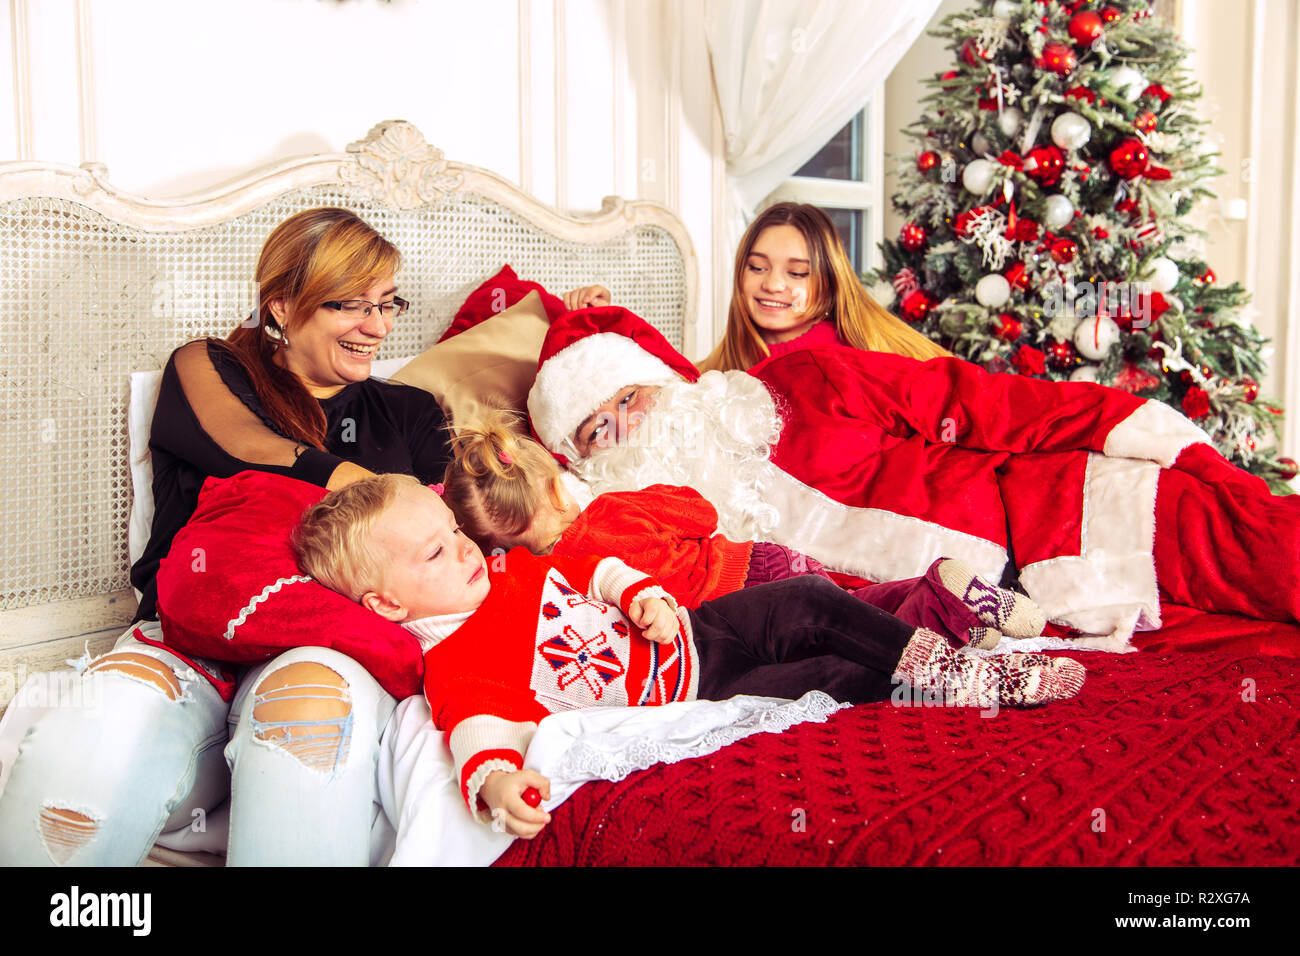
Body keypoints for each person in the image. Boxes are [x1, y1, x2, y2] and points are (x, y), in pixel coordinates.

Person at [0, 207, 450, 866]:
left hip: (334, 644)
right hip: (188, 638)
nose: (377, 328)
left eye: (388, 305)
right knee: (95, 736)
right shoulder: (207, 368)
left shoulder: (411, 412)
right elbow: (247, 447)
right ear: (282, 306)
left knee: (307, 721)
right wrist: (367, 483)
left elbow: (464, 536)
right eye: (350, 306)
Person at [291, 475, 1087, 839]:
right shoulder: (457, 663)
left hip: (703, 633)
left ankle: (967, 669)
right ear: (389, 605)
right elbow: (473, 738)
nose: (466, 550)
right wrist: (501, 785)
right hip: (704, 692)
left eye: (458, 533)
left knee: (811, 603)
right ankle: (949, 668)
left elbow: (592, 570)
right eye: (436, 553)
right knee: (836, 680)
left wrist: (640, 595)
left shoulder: (512, 569)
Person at [525, 306, 1300, 647]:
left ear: (668, 380)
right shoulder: (671, 546)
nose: (630, 426)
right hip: (1059, 616)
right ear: (583, 461)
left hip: (1081, 505)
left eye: (631, 397)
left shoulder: (801, 380)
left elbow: (975, 399)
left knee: (1274, 559)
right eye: (600, 428)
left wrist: (1120, 423)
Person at [441, 410, 1047, 650]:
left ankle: (948, 614)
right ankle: (950, 598)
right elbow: (701, 514)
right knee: (849, 597)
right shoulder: (615, 510)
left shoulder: (548, 578)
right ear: (555, 485)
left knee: (841, 622)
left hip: (733, 609)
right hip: (754, 566)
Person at [563, 201, 946, 371]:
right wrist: (601, 324)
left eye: (797, 273)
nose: (773, 284)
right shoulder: (738, 360)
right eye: (757, 267)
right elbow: (673, 387)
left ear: (829, 287)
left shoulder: (845, 358)